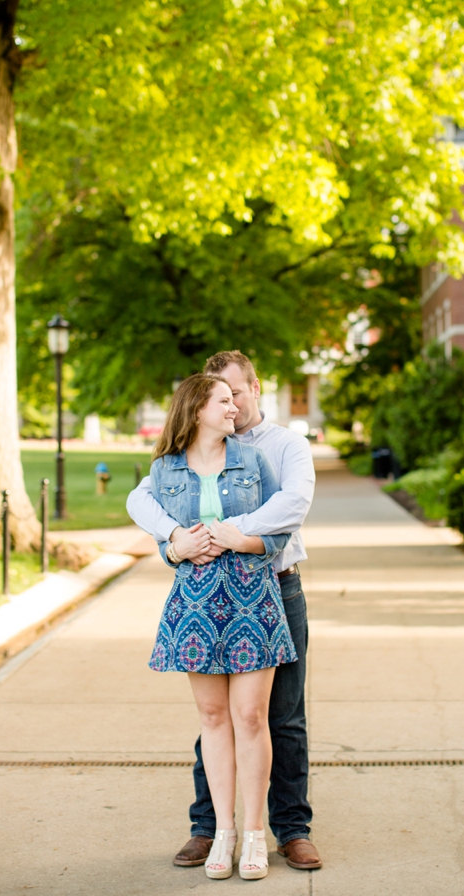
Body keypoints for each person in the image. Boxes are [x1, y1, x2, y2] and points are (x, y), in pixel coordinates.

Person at [128, 351, 323, 872]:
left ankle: (290, 829)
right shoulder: (174, 462)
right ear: (200, 405)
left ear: (254, 388)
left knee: (276, 718)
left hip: (271, 588)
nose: (232, 404)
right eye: (222, 396)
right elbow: (147, 502)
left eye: (236, 393)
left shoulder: (278, 447)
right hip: (200, 597)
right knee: (214, 718)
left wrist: (236, 536)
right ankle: (211, 828)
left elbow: (293, 506)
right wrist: (173, 542)